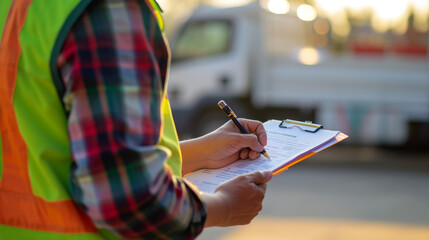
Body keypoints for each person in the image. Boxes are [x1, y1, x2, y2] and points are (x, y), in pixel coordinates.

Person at [0, 0, 272, 239]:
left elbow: (59, 152)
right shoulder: (110, 11)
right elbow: (129, 198)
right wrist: (222, 207)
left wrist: (203, 151)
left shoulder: (21, 9)